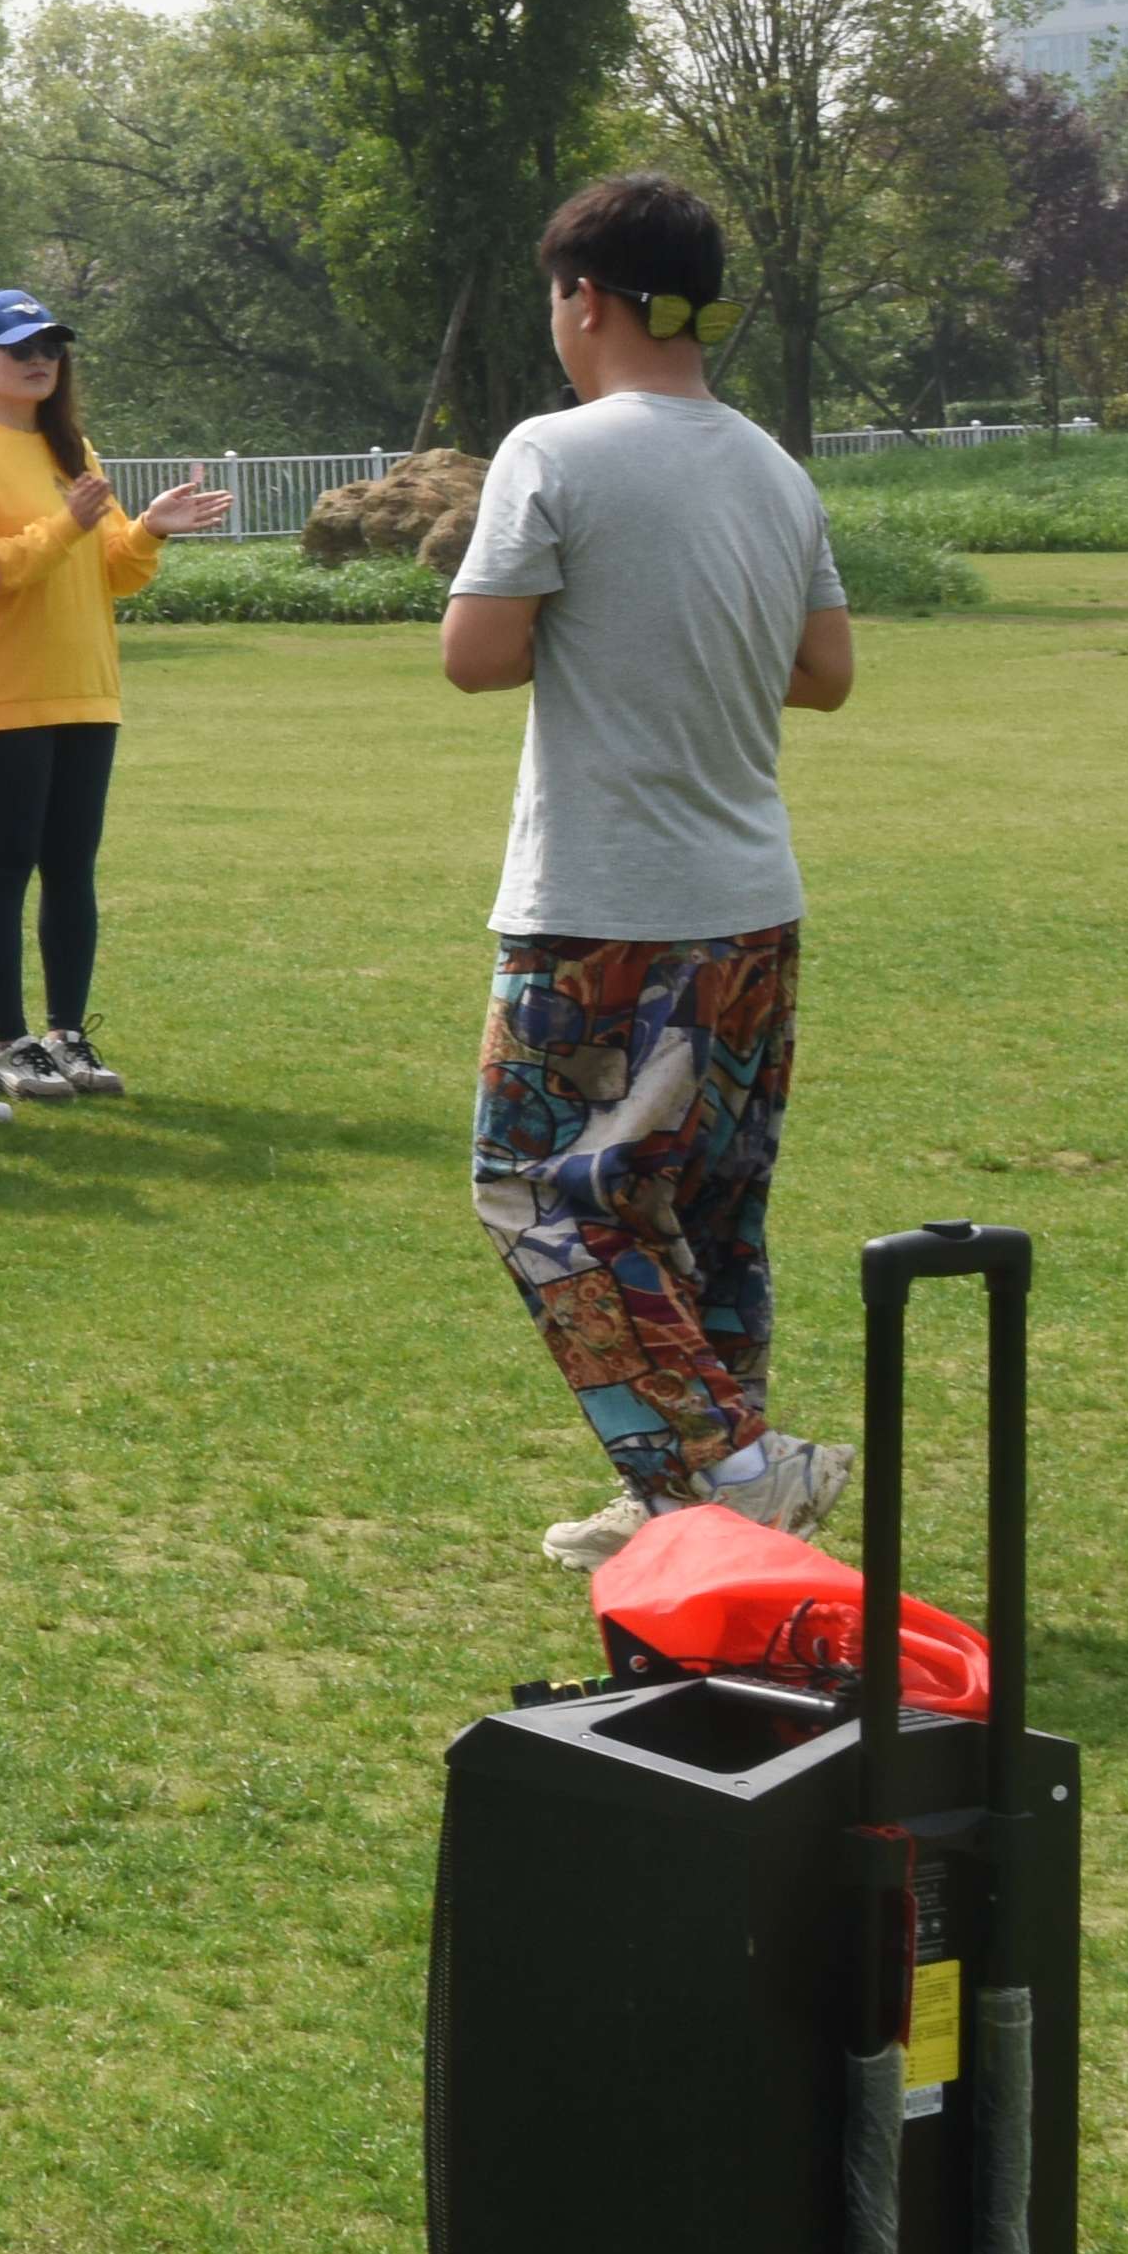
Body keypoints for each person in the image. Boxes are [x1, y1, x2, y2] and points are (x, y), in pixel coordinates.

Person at [447, 172, 864, 1573]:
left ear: (585, 300)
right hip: (752, 904)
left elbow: (476, 653)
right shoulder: (774, 468)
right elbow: (826, 672)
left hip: (603, 909)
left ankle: (730, 1467)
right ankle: (695, 1513)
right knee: (706, 1215)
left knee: (536, 1188)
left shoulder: (551, 452)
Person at [0, 294, 220, 1101]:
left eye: (51, 349)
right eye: (21, 348)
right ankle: (9, 1043)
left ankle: (66, 1035)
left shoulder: (74, 448)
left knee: (71, 869)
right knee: (7, 866)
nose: (41, 361)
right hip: (7, 691)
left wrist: (151, 528)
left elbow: (115, 570)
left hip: (89, 690)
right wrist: (64, 524)